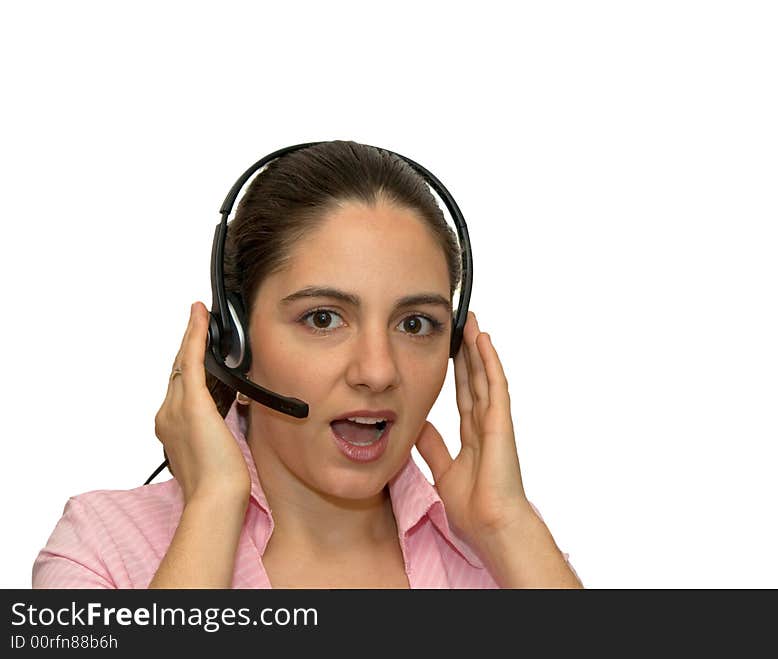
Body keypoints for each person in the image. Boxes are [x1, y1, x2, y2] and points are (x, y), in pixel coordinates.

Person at [32, 141, 582, 588]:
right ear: (233, 345)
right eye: (324, 318)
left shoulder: (502, 559)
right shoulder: (101, 549)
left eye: (414, 324)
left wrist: (507, 527)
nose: (377, 370)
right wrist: (214, 506)